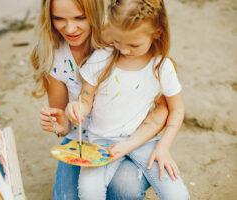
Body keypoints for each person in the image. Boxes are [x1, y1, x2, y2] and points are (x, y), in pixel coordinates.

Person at [31, 0, 175, 199]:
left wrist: (152, 143)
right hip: (83, 140)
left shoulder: (119, 33)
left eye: (80, 17)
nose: (70, 28)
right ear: (49, 18)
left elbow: (163, 103)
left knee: (125, 189)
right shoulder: (54, 57)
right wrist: (62, 123)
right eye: (59, 18)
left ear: (95, 12)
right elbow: (64, 125)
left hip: (130, 137)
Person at [65, 0, 190, 199]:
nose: (124, 50)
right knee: (89, 192)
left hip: (144, 141)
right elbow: (85, 99)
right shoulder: (101, 58)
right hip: (101, 143)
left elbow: (177, 110)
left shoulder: (162, 67)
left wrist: (164, 147)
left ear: (157, 32)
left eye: (134, 44)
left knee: (177, 194)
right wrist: (77, 107)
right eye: (117, 41)